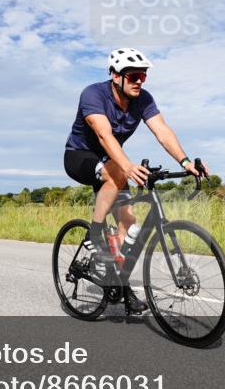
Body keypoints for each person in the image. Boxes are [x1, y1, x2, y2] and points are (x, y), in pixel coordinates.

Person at [63, 48, 207, 313]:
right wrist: (128, 166)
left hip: (113, 162)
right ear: (115, 76)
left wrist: (185, 162)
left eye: (144, 75)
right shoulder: (93, 94)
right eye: (134, 76)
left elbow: (162, 131)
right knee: (116, 170)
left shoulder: (143, 99)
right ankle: (95, 232)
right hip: (80, 157)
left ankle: (118, 283)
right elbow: (104, 136)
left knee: (130, 227)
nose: (140, 81)